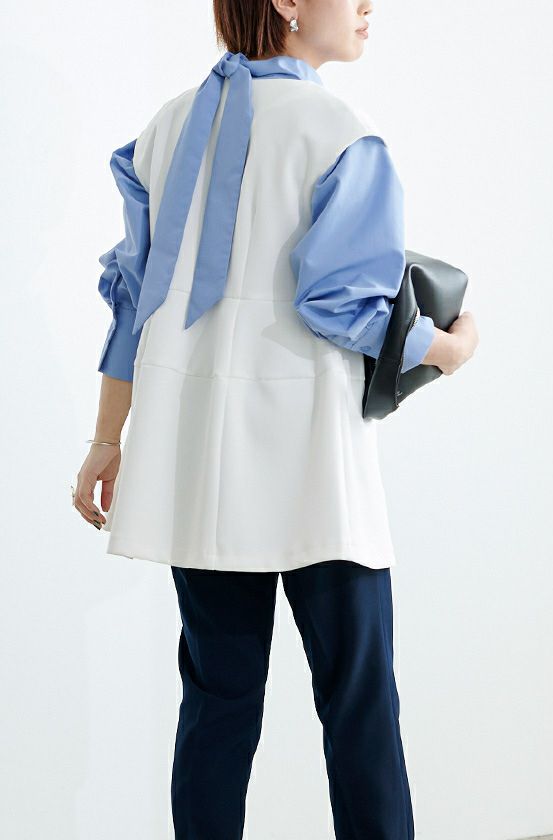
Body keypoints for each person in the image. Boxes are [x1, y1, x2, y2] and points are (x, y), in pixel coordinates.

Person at [72, 1, 478, 837]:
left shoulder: (165, 128)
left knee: (216, 705)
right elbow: (343, 305)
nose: (367, 5)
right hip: (313, 469)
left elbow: (132, 306)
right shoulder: (341, 134)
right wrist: (448, 349)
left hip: (197, 466)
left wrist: (107, 439)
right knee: (360, 704)